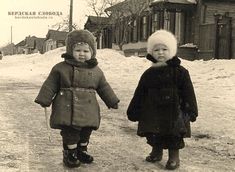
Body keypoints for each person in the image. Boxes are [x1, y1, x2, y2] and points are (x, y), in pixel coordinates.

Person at [35, 29, 120, 168]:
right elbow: (51, 83)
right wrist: (45, 98)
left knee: (86, 131)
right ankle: (70, 153)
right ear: (70, 51)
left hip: (88, 108)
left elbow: (103, 86)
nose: (82, 54)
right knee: (71, 132)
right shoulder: (60, 68)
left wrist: (112, 100)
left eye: (86, 51)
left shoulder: (96, 71)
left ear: (92, 52)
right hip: (67, 107)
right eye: (78, 50)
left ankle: (82, 150)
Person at [127, 30, 198, 170]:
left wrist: (191, 109)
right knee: (154, 132)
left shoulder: (181, 72)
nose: (160, 53)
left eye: (164, 49)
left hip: (174, 111)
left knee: (174, 135)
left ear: (171, 51)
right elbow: (140, 92)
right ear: (151, 52)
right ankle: (156, 151)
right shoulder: (149, 73)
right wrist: (134, 109)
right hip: (153, 110)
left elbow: (188, 92)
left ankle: (173, 157)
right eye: (156, 50)